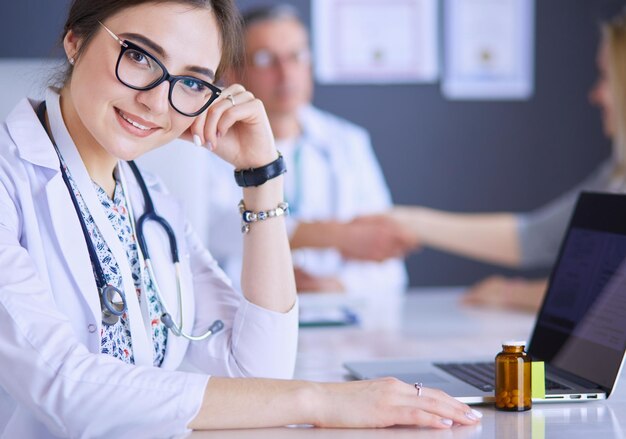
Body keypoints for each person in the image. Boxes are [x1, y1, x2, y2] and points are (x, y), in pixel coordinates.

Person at [0, 0, 481, 436]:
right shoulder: (8, 180)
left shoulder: (151, 201)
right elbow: (66, 386)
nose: (156, 99)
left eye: (189, 82)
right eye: (139, 56)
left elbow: (257, 369)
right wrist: (319, 399)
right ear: (75, 41)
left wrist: (261, 177)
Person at [390, 10, 626, 312]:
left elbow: (608, 291)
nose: (595, 94)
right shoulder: (615, 174)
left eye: (605, 76)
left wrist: (512, 293)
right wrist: (409, 222)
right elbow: (535, 238)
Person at [203, 4, 414, 293]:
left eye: (297, 56)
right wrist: (334, 235)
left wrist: (331, 286)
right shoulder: (208, 141)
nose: (285, 73)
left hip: (338, 320)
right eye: (265, 59)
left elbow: (387, 261)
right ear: (232, 73)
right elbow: (211, 230)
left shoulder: (348, 142)